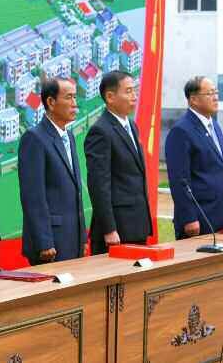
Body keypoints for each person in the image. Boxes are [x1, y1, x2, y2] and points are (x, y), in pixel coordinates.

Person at [18, 77, 87, 265]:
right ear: (50, 102)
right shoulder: (34, 138)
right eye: (69, 98)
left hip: (73, 239)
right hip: (50, 245)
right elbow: (33, 196)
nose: (75, 104)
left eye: (75, 97)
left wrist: (82, 237)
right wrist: (44, 242)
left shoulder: (69, 135)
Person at [84, 71, 153, 255]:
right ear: (110, 97)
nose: (134, 96)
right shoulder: (100, 131)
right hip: (117, 230)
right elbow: (99, 184)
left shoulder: (131, 125)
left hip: (137, 224)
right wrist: (109, 229)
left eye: (135, 90)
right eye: (128, 91)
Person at [166, 76, 223, 239]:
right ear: (193, 100)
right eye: (209, 93)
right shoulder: (181, 131)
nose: (215, 97)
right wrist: (189, 217)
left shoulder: (215, 126)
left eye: (216, 92)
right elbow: (179, 179)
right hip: (200, 220)